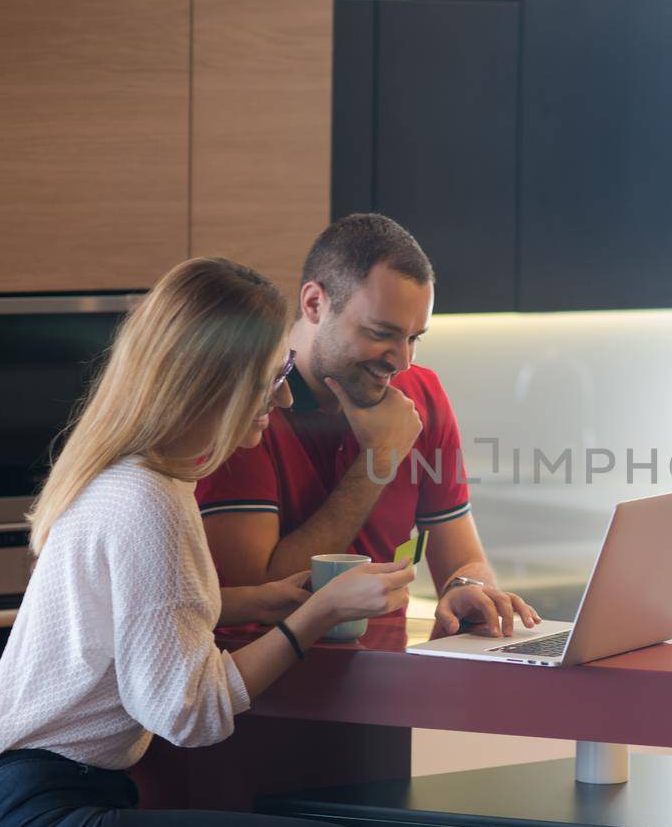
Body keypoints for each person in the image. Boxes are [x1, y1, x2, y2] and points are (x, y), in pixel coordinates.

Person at [0, 257, 413, 827]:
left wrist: (261, 601)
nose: (283, 393)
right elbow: (187, 712)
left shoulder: (135, 479)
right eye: (270, 374)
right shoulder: (151, 505)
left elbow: (139, 616)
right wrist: (319, 613)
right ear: (216, 380)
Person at [197, 214, 538, 639]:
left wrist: (467, 588)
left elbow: (464, 560)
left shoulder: (421, 394)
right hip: (267, 686)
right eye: (382, 333)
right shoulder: (250, 411)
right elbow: (260, 596)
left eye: (414, 338)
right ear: (315, 304)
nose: (402, 361)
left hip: (387, 678)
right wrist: (378, 460)